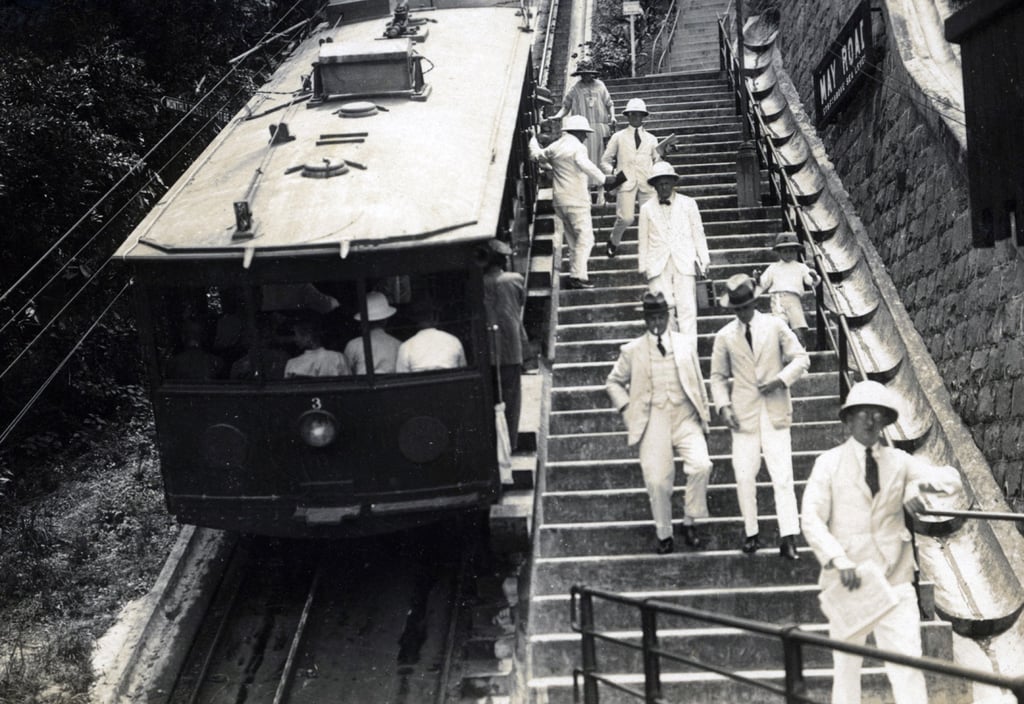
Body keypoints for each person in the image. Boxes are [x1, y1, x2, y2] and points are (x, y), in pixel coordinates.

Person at [802, 380, 963, 704]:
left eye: (877, 413)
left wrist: (916, 489)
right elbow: (810, 517)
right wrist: (837, 559)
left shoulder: (899, 462)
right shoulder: (828, 464)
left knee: (907, 669)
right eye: (862, 413)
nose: (869, 420)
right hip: (851, 582)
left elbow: (952, 480)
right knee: (846, 670)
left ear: (887, 420)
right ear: (848, 420)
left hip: (896, 582)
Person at [709, 274, 809, 560]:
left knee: (782, 476)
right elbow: (717, 377)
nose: (742, 313)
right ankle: (751, 533)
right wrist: (723, 407)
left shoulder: (775, 325)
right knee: (743, 474)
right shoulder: (725, 336)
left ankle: (789, 536)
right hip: (744, 415)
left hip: (775, 410)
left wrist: (780, 380)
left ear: (755, 303)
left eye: (746, 307)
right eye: (737, 309)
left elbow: (801, 358)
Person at [606, 292, 713, 555]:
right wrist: (628, 408)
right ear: (645, 319)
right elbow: (613, 382)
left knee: (702, 465)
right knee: (657, 481)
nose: (656, 322)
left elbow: (698, 381)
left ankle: (690, 519)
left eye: (660, 316)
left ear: (668, 316)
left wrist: (704, 416)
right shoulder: (632, 351)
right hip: (653, 419)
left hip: (685, 415)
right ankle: (664, 533)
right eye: (651, 317)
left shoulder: (685, 343)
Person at [529, 114, 617, 290]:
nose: (586, 136)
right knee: (586, 238)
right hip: (576, 200)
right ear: (577, 132)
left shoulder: (556, 146)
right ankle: (578, 276)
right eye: (584, 133)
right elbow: (585, 165)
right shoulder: (577, 148)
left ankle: (575, 275)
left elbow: (536, 155)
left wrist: (532, 138)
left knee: (573, 239)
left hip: (560, 201)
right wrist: (603, 179)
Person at [637, 161, 710, 338]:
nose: (663, 187)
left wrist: (704, 259)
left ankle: (689, 355)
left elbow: (698, 232)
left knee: (687, 309)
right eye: (659, 183)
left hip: (684, 260)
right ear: (653, 185)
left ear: (673, 182)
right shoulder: (646, 209)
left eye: (666, 182)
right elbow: (643, 239)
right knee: (664, 309)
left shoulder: (689, 204)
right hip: (657, 264)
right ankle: (670, 353)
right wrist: (643, 265)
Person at [476, 238, 530, 449]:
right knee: (511, 399)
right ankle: (511, 444)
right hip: (510, 349)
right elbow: (520, 301)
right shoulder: (514, 279)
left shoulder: (478, 284)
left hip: (486, 351)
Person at [600, 97, 665, 258]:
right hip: (625, 183)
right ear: (627, 116)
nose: (636, 117)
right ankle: (613, 241)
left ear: (644, 116)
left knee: (650, 217)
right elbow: (604, 161)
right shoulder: (619, 137)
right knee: (626, 218)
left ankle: (651, 249)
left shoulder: (651, 138)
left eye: (639, 114)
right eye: (633, 114)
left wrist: (665, 153)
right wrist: (614, 173)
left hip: (647, 182)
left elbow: (657, 160)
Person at [755, 231, 822, 349]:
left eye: (791, 251)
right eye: (785, 251)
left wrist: (814, 277)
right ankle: (781, 351)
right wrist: (757, 279)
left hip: (794, 299)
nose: (789, 254)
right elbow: (763, 283)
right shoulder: (773, 267)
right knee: (780, 325)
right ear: (779, 253)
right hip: (778, 298)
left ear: (796, 251)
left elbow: (810, 281)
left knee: (799, 326)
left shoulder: (800, 267)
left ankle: (801, 350)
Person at [551, 59, 615, 178]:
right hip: (582, 130)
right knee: (584, 158)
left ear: (592, 73)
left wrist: (613, 117)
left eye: (588, 73)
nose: (586, 76)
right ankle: (587, 188)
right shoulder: (575, 88)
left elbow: (609, 103)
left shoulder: (600, 86)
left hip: (600, 128)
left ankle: (601, 189)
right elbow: (566, 106)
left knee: (601, 157)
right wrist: (558, 116)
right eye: (583, 74)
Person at [395, 300, 466, 372]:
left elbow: (402, 378)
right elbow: (463, 372)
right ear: (436, 318)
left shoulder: (406, 346)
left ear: (415, 320)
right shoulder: (453, 341)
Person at [344, 291, 401, 374]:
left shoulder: (353, 345)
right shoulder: (398, 344)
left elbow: (348, 375)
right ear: (385, 320)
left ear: (363, 321)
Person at [284, 315, 349, 377]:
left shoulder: (292, 363)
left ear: (308, 336)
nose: (295, 339)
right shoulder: (338, 357)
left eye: (296, 334)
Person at [230, 315, 290, 380]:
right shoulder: (238, 366)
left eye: (265, 337)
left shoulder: (283, 359)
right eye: (252, 336)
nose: (260, 341)